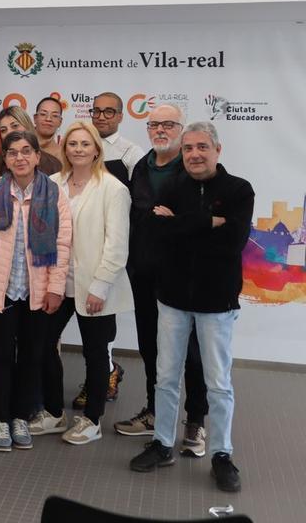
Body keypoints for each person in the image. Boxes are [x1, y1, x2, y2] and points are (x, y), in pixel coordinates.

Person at [129, 122, 252, 493]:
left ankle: (221, 454)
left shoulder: (238, 190)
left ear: (218, 149)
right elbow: (156, 233)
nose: (195, 154)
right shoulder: (172, 187)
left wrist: (181, 227)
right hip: (172, 300)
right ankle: (163, 443)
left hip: (217, 303)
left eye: (202, 147)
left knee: (218, 382)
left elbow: (232, 242)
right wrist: (206, 223)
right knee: (166, 377)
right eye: (188, 149)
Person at [115, 105, 210, 457]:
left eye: (168, 124)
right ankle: (156, 412)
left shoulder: (196, 169)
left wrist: (176, 221)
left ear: (181, 129)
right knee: (150, 348)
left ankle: (196, 421)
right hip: (144, 273)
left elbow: (206, 222)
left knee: (192, 354)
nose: (159, 130)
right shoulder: (141, 167)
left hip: (186, 277)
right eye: (154, 124)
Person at [30, 122, 133, 445]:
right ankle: (54, 413)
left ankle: (92, 419)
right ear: (65, 148)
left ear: (96, 150)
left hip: (94, 285)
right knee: (43, 344)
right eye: (72, 143)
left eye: (85, 144)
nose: (78, 149)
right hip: (58, 282)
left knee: (95, 353)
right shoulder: (51, 183)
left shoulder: (113, 188)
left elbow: (117, 245)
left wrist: (100, 286)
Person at [0, 130, 71, 452]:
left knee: (32, 357)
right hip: (2, 291)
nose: (20, 158)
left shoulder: (55, 194)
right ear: (5, 158)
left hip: (37, 292)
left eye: (26, 151)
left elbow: (61, 243)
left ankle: (19, 416)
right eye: (13, 152)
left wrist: (56, 289)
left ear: (37, 156)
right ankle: (0, 419)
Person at [0, 106, 61, 183]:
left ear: (27, 126)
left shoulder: (53, 165)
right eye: (3, 130)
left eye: (15, 126)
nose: (9, 132)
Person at [91, 92, 143, 179]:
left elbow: (140, 190)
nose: (101, 117)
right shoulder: (78, 148)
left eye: (109, 112)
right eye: (97, 111)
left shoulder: (132, 151)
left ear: (120, 117)